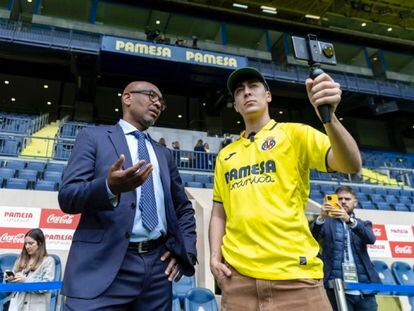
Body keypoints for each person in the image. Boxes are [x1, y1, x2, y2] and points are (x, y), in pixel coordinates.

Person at [209, 67, 361, 311]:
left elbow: (350, 164)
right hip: (239, 283)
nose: (246, 92)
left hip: (296, 279)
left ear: (268, 96)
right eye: (239, 91)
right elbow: (219, 212)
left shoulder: (295, 134)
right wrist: (214, 255)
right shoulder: (226, 155)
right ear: (235, 105)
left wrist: (328, 117)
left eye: (253, 86)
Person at [59, 80, 197, 310]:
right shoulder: (93, 137)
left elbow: (183, 209)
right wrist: (109, 187)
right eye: (151, 95)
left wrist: (186, 252)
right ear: (127, 98)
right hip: (101, 268)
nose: (157, 103)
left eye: (161, 102)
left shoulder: (164, 154)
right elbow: (68, 197)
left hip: (157, 272)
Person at [311, 186, 380, 311]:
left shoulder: (363, 223)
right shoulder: (326, 222)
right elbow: (310, 239)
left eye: (347, 199)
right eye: (340, 198)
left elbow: (371, 239)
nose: (343, 201)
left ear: (355, 202)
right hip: (337, 288)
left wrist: (349, 220)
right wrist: (321, 218)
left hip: (364, 289)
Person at [4, 228, 55, 311]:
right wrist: (9, 279)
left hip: (36, 307)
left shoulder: (48, 261)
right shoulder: (20, 259)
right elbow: (9, 289)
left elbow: (46, 286)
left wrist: (26, 280)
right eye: (26, 243)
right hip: (17, 305)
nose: (27, 246)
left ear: (40, 243)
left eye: (31, 243)